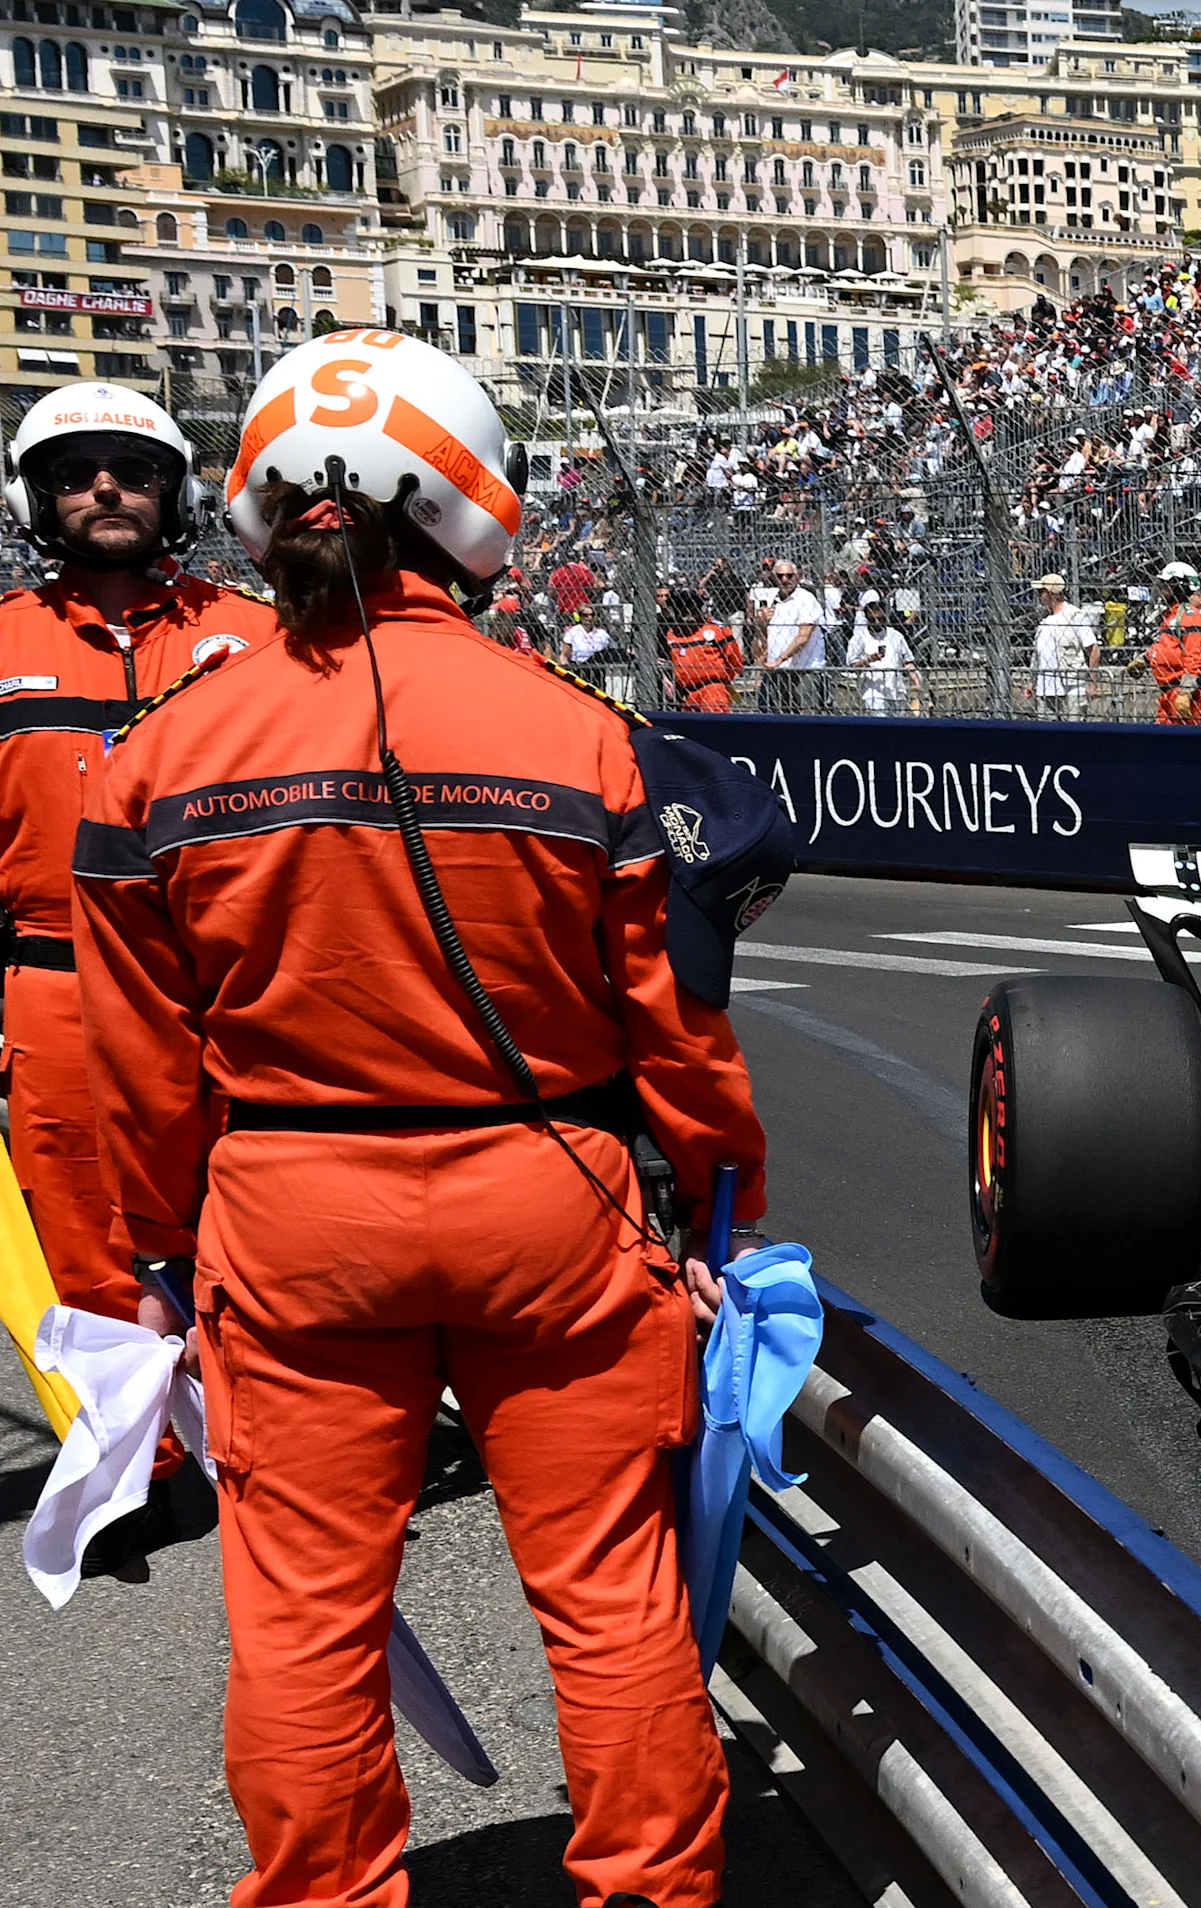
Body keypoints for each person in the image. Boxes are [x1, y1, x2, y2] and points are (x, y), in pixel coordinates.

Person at [74, 330, 765, 1908]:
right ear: (468, 509)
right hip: (555, 1201)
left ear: (255, 509)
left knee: (306, 1613)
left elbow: (138, 1063)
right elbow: (681, 1032)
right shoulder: (578, 733)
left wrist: (166, 1255)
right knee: (609, 1597)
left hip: (292, 1211)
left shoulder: (166, 753)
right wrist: (727, 1206)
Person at [0, 382, 276, 1358]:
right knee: (80, 1222)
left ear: (177, 492)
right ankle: (143, 1472)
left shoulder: (259, 637)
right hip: (55, 985)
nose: (106, 489)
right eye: (76, 476)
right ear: (37, 498)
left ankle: (272, 1447)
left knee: (264, 1213)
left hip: (236, 987)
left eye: (136, 473)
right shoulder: (1, 641)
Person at [662, 584, 744, 713]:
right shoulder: (672, 634)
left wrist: (722, 682)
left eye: (692, 605)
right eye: (681, 606)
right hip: (686, 694)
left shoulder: (716, 629)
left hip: (712, 690)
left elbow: (736, 662)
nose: (687, 610)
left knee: (715, 726)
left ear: (699, 607)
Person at [1148, 561, 1201, 724]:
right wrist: (1145, 659)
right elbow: (1167, 646)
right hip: (1168, 691)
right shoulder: (1171, 615)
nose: (1162, 589)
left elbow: (1194, 658)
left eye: (1166, 585)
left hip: (1182, 691)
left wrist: (1186, 692)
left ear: (1179, 586)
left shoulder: (1190, 617)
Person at [1028, 572, 1095, 719]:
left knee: (1072, 733)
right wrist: (1032, 682)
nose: (1039, 596)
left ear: (1051, 593)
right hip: (1045, 688)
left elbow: (1093, 649)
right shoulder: (1044, 621)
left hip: (1071, 686)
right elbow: (1037, 655)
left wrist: (1093, 681)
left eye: (1042, 592)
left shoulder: (1075, 616)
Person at [761, 558, 826, 709]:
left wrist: (780, 659)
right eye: (780, 576)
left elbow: (803, 636)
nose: (785, 580)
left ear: (797, 577)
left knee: (807, 719)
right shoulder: (771, 599)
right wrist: (761, 623)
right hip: (778, 671)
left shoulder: (805, 599)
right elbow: (763, 639)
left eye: (789, 576)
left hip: (804, 670)